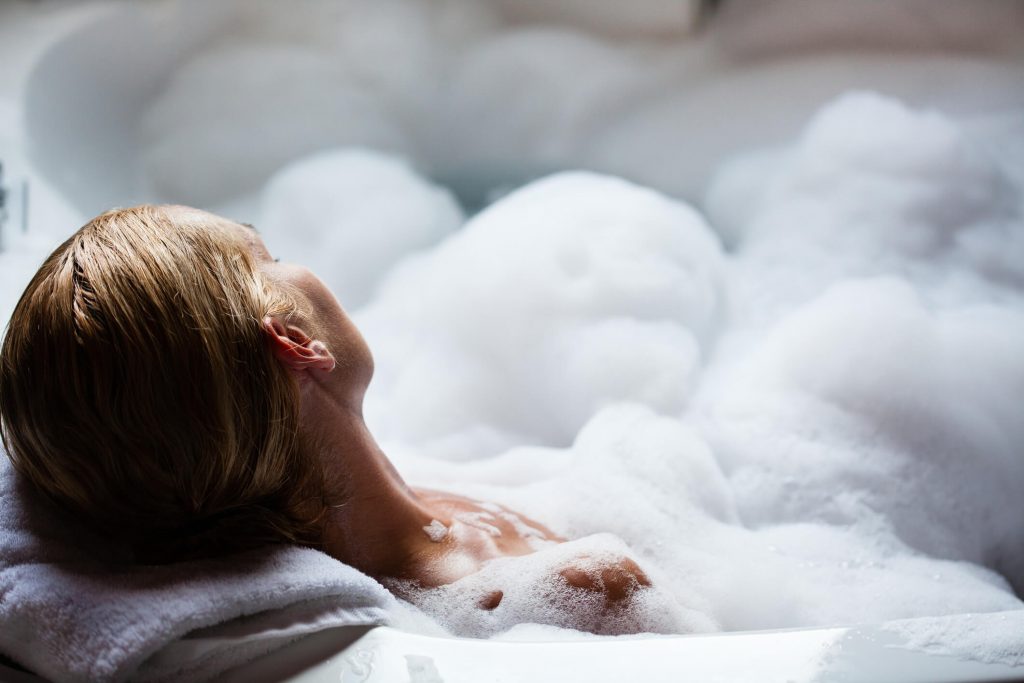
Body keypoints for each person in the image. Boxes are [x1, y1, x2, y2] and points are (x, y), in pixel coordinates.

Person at [0, 204, 649, 628]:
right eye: (270, 256)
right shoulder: (585, 590)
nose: (295, 265)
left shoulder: (384, 523)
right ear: (293, 342)